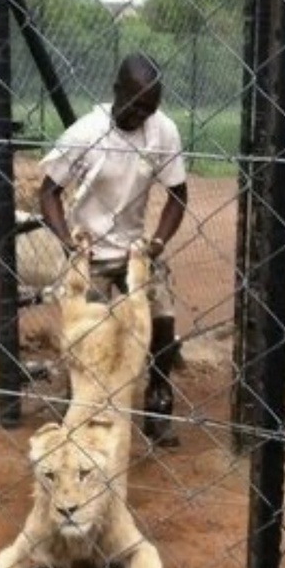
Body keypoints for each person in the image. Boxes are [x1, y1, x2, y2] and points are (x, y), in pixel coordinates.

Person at [39, 52, 188, 447]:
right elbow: (49, 192)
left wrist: (157, 244)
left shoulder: (163, 131)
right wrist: (68, 240)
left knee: (164, 324)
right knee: (87, 335)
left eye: (150, 107)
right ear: (116, 90)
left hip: (137, 250)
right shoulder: (85, 133)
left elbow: (178, 194)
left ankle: (158, 403)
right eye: (135, 103)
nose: (142, 114)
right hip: (90, 251)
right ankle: (77, 404)